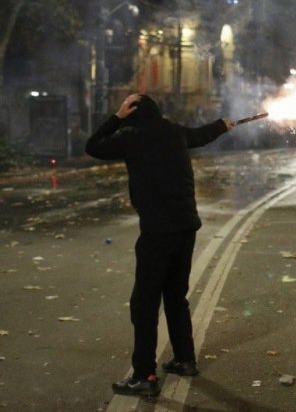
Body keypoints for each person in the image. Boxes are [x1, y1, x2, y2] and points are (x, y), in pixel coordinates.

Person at [85, 94, 234, 397]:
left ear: (132, 113)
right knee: (176, 297)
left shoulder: (130, 136)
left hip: (157, 231)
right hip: (186, 227)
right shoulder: (174, 131)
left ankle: (144, 375)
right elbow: (201, 135)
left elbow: (93, 146)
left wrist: (117, 116)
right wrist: (222, 125)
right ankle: (184, 360)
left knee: (145, 304)